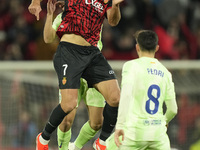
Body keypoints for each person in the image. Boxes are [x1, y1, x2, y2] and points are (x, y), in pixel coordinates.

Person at [29, 0, 124, 150]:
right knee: (69, 105)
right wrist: (35, 2)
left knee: (115, 98)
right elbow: (48, 38)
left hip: (93, 54)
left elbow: (113, 21)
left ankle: (102, 142)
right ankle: (43, 138)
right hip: (70, 52)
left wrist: (116, 5)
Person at [43, 0, 106, 150]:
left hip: (93, 68)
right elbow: (48, 38)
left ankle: (75, 147)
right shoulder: (62, 18)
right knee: (66, 121)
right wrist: (50, 14)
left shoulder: (95, 12)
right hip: (71, 68)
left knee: (97, 123)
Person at [106, 30, 178, 150]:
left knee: (104, 146)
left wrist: (120, 125)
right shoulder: (165, 72)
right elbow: (173, 109)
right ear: (157, 48)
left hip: (134, 134)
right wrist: (164, 121)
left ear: (137, 47)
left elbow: (126, 95)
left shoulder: (131, 66)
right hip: (158, 135)